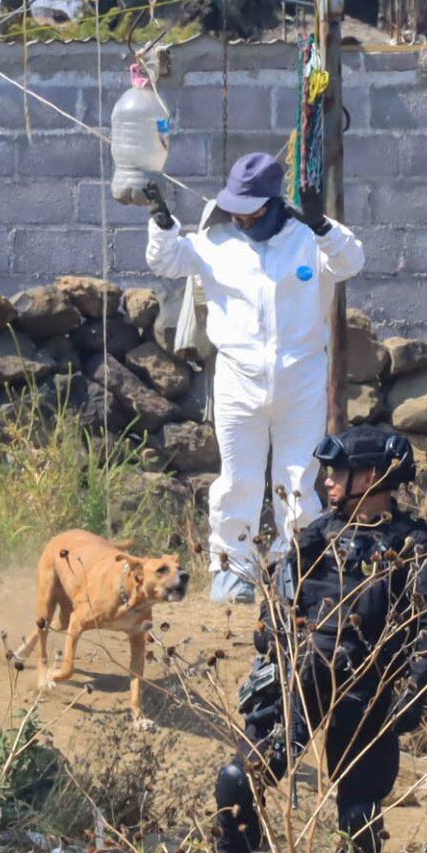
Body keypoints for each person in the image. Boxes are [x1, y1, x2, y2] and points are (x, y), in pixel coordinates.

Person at [205, 425, 427, 853]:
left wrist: (406, 701)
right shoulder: (316, 537)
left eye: (338, 472)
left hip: (366, 697)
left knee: (360, 817)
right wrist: (279, 647)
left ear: (371, 476)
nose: (329, 482)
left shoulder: (412, 548)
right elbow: (275, 608)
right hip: (300, 687)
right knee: (238, 782)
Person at [143, 153, 366, 603]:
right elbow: (168, 262)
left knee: (299, 479)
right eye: (236, 208)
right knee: (238, 478)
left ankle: (296, 571)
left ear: (273, 203)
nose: (242, 218)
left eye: (252, 209)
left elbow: (351, 262)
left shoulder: (307, 239)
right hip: (237, 377)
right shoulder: (216, 240)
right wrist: (162, 224)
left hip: (300, 376)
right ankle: (232, 570)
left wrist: (324, 227)